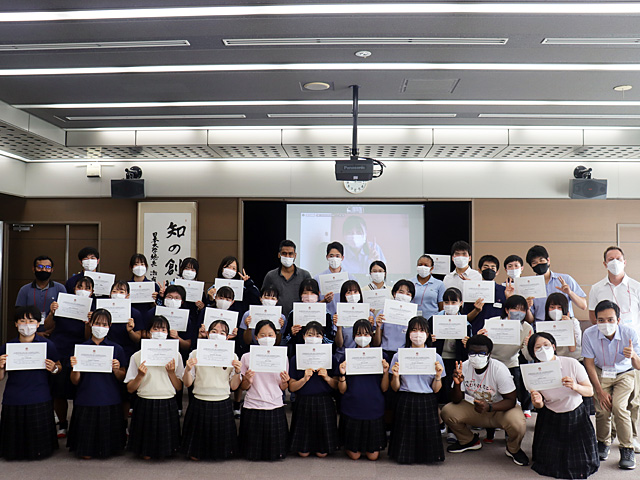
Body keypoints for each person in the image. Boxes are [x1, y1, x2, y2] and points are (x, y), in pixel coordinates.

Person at [441, 334, 529, 466]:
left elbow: (511, 400)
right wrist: (457, 384)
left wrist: (490, 407)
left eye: (481, 353)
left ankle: (513, 449)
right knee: (447, 411)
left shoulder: (499, 369)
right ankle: (469, 441)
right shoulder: (464, 367)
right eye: (472, 352)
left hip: (499, 410)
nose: (476, 356)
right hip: (475, 408)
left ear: (489, 353)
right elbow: (456, 400)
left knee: (518, 423)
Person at [526, 331, 599, 479]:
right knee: (548, 462)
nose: (543, 349)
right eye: (537, 347)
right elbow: (539, 406)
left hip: (575, 415)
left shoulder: (571, 363)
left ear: (553, 346)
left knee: (580, 463)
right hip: (551, 415)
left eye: (546, 345)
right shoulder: (531, 372)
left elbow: (590, 391)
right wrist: (537, 402)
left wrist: (575, 386)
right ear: (532, 352)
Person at [588, 246, 640, 452]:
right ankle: (606, 438)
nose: (615, 262)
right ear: (604, 263)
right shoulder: (596, 288)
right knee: (605, 405)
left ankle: (632, 437)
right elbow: (593, 316)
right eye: (611, 259)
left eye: (618, 258)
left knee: (632, 401)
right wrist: (606, 329)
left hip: (631, 347)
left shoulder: (636, 286)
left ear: (625, 262)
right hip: (606, 345)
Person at [583, 300, 640, 469]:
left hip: (625, 373)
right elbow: (589, 363)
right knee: (601, 409)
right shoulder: (589, 334)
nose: (606, 324)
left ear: (618, 320)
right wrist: (599, 391)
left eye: (610, 320)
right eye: (601, 320)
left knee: (619, 407)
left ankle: (627, 448)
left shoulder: (630, 333)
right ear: (596, 321)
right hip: (602, 372)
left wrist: (633, 356)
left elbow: (638, 366)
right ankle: (603, 442)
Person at [0, 306, 61, 460]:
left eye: (31, 320)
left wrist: (54, 368)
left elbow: (58, 367)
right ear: (15, 324)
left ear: (38, 323)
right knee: (13, 445)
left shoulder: (47, 345)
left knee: (40, 447)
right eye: (22, 321)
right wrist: (0, 366)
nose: (27, 324)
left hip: (39, 394)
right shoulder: (7, 347)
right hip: (14, 396)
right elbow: (1, 377)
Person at [67, 308, 127, 459]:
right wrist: (75, 368)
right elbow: (75, 380)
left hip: (109, 397)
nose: (100, 327)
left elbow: (122, 377)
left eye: (104, 324)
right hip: (86, 397)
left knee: (108, 451)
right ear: (90, 323)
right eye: (97, 323)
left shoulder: (117, 349)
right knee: (85, 453)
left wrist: (117, 369)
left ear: (110, 326)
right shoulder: (81, 348)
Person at [180, 319, 242, 461]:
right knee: (195, 454)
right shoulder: (195, 353)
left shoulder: (232, 356)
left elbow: (233, 387)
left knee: (222, 454)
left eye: (222, 332)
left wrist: (238, 372)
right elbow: (188, 383)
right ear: (207, 334)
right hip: (200, 400)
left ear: (227, 337)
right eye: (214, 331)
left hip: (222, 401)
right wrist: (188, 370)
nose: (217, 334)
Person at [125, 315, 184, 459]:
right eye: (155, 328)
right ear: (148, 332)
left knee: (167, 451)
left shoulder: (176, 355)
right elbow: (130, 388)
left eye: (163, 329)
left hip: (167, 400)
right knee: (146, 453)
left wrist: (171, 373)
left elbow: (179, 387)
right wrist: (139, 375)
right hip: (145, 400)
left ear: (168, 332)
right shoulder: (137, 356)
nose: (159, 332)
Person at [389, 316, 445, 464]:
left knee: (426, 434)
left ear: (427, 334)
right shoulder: (398, 355)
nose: (418, 334)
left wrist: (438, 376)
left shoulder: (436, 357)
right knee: (405, 433)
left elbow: (436, 389)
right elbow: (395, 387)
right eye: (414, 330)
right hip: (405, 398)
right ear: (408, 333)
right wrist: (395, 376)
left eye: (421, 330)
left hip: (427, 399)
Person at [44, 276, 95, 438]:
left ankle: (79, 423)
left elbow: (89, 337)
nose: (83, 290)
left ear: (92, 292)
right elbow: (48, 326)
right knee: (59, 391)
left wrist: (89, 322)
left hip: (82, 353)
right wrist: (52, 312)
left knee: (81, 389)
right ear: (74, 289)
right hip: (60, 350)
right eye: (80, 286)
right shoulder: (64, 302)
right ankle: (62, 423)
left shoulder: (95, 308)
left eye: (87, 288)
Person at [338, 319, 390, 460]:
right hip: (352, 407)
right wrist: (342, 374)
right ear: (354, 336)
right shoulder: (347, 357)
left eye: (366, 333)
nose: (362, 337)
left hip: (373, 407)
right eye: (359, 333)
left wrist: (386, 372)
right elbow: (342, 390)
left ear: (372, 335)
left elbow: (384, 388)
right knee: (354, 456)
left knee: (373, 456)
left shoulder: (381, 357)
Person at [239, 319, 290, 461]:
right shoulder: (246, 357)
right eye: (262, 335)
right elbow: (243, 387)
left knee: (274, 454)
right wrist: (247, 380)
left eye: (270, 335)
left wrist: (285, 382)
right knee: (252, 454)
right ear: (256, 337)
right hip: (253, 404)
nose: (266, 338)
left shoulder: (281, 357)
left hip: (274, 404)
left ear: (276, 336)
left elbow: (283, 387)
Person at [478, 294, 534, 420]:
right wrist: (480, 337)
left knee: (512, 394)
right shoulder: (492, 322)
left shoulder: (527, 328)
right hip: (491, 362)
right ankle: (487, 419)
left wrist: (527, 344)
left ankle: (510, 419)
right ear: (507, 310)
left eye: (522, 310)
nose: (518, 313)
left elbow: (527, 356)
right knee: (490, 393)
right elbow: (481, 347)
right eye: (515, 309)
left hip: (511, 362)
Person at [288, 321, 339, 457]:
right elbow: (291, 387)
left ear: (323, 338)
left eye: (317, 335)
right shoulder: (295, 359)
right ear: (303, 336)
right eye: (310, 334)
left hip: (324, 402)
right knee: (303, 453)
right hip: (303, 402)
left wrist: (327, 378)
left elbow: (337, 386)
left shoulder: (331, 358)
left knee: (322, 453)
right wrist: (304, 379)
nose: (313, 338)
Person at [526, 245, 587, 322]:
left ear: (548, 260)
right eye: (534, 263)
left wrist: (570, 293)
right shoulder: (530, 285)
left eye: (541, 260)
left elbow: (583, 306)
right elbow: (530, 320)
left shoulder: (565, 279)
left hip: (565, 324)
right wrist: (527, 308)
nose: (539, 264)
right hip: (541, 326)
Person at [463, 255, 518, 334]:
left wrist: (509, 298)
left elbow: (512, 316)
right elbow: (466, 319)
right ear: (479, 270)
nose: (489, 270)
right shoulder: (472, 290)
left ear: (497, 272)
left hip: (499, 333)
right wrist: (476, 310)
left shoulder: (504, 290)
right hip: (477, 334)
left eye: (492, 268)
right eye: (485, 267)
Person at [281, 278, 334, 358]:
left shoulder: (326, 314)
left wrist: (319, 337)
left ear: (318, 294)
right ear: (300, 295)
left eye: (312, 293)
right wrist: (292, 333)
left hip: (321, 355)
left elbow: (331, 341)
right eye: (305, 293)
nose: (309, 296)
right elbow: (285, 340)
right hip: (299, 355)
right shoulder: (294, 313)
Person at [14, 255, 66, 332]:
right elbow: (19, 314)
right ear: (33, 269)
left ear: (52, 270)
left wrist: (51, 331)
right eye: (40, 267)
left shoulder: (60, 288)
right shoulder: (24, 290)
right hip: (29, 332)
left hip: (55, 333)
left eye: (47, 267)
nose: (44, 270)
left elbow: (64, 314)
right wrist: (36, 334)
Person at [262, 240, 312, 317]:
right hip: (276, 318)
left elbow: (311, 298)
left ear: (295, 255)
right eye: (284, 254)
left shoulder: (305, 275)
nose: (287, 256)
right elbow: (263, 298)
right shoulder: (271, 276)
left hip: (299, 318)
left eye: (290, 254)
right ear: (279, 255)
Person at [373, 279, 416, 362]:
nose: (404, 295)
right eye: (401, 292)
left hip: (404, 353)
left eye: (408, 293)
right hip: (385, 353)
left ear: (411, 297)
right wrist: (378, 327)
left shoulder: (413, 315)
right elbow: (376, 343)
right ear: (394, 293)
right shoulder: (383, 312)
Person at [314, 241, 356, 317]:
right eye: (331, 256)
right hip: (324, 319)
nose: (334, 259)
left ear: (342, 258)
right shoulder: (318, 278)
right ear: (327, 257)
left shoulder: (350, 278)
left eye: (337, 256)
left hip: (345, 319)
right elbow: (313, 305)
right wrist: (324, 301)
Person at [333, 280, 375, 353]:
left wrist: (370, 326)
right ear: (344, 295)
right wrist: (339, 328)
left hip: (365, 353)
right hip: (344, 353)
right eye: (349, 292)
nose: (352, 295)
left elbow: (374, 342)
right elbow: (339, 344)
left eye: (355, 292)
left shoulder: (368, 314)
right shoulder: (339, 314)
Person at [544, 292, 582, 360]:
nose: (555, 310)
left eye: (559, 307)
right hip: (554, 360)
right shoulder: (545, 325)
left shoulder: (573, 322)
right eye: (552, 307)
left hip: (574, 359)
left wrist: (568, 325)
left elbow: (572, 349)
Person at [411, 254, 445, 320]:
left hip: (432, 321)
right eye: (420, 265)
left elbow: (442, 308)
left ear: (431, 268)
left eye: (426, 265)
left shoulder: (439, 284)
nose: (422, 267)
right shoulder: (410, 282)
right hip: (413, 321)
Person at [128, 253, 160, 318]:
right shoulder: (126, 285)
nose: (139, 267)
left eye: (142, 264)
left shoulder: (153, 285)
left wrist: (157, 298)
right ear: (131, 267)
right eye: (136, 264)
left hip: (149, 317)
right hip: (131, 317)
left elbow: (160, 306)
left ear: (146, 266)